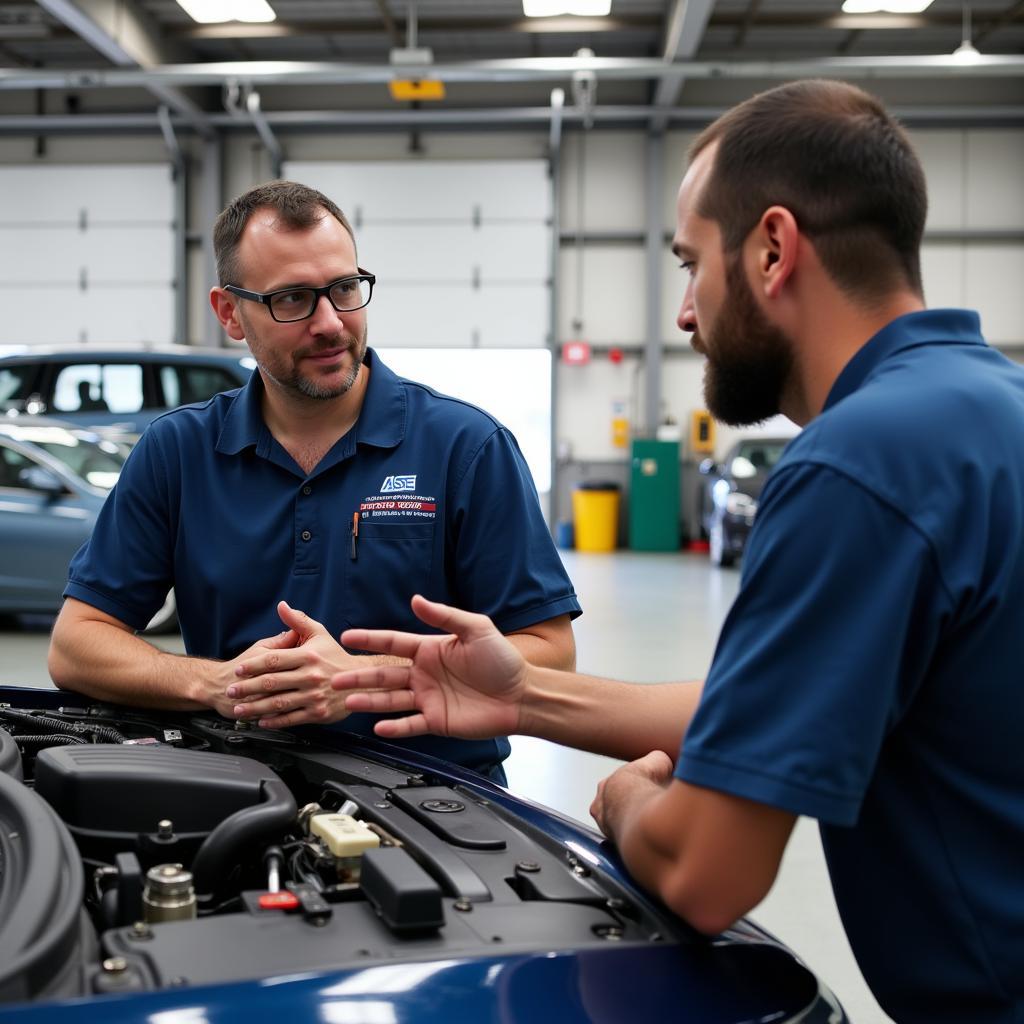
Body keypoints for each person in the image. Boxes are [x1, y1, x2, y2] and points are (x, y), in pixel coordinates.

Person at [330, 79, 1024, 1023]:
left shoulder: (856, 467)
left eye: (692, 263)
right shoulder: (988, 414)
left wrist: (624, 808)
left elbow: (705, 873)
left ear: (773, 249)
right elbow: (784, 706)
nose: (687, 313)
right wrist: (520, 695)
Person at [48, 180, 580, 783]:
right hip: (234, 793)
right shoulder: (178, 451)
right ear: (230, 314)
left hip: (435, 803)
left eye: (345, 288)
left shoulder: (467, 447)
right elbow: (77, 644)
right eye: (293, 299)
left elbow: (549, 653)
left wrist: (356, 680)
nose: (330, 323)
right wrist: (214, 681)